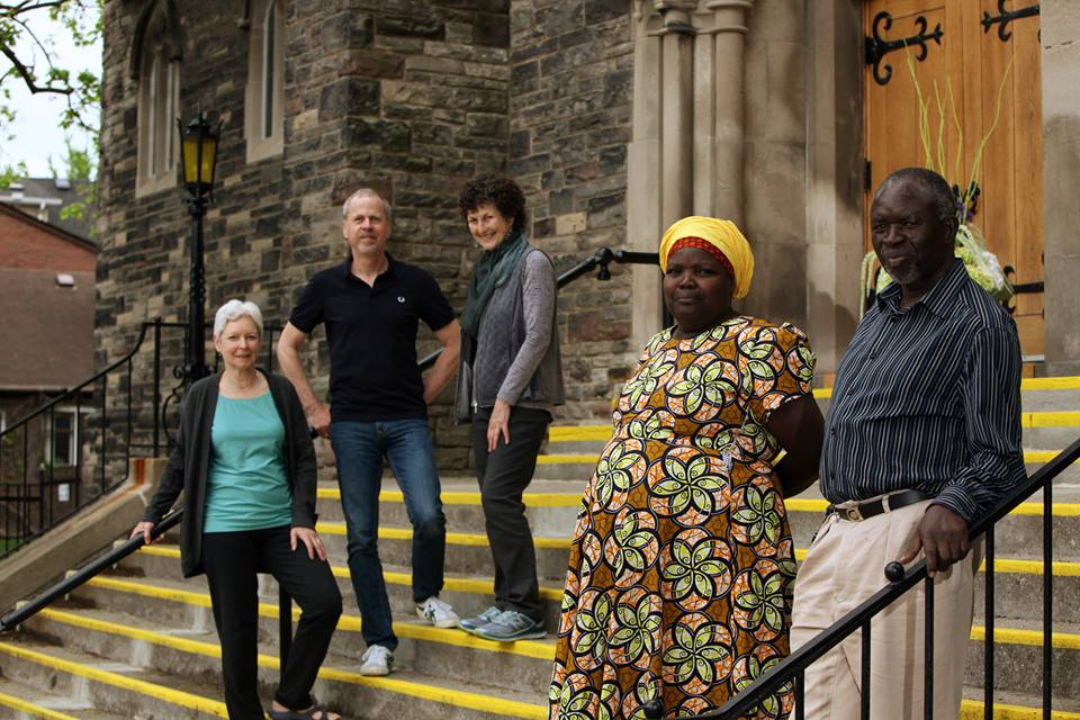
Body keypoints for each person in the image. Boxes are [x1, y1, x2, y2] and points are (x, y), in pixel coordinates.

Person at [548, 217, 825, 720]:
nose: (686, 281)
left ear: (733, 279)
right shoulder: (656, 347)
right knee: (633, 674)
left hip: (714, 554)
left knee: (709, 666)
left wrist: (741, 497)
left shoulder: (760, 344)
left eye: (705, 270)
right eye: (675, 270)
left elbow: (811, 447)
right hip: (623, 558)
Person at [790, 167, 1026, 720]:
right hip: (838, 533)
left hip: (909, 539)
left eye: (908, 224)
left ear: (948, 229)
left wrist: (956, 504)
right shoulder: (878, 314)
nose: (891, 239)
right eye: (881, 226)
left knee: (900, 711)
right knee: (813, 705)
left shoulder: (979, 325)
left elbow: (999, 456)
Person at [276, 188, 462, 677]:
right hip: (351, 425)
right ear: (345, 229)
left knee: (429, 516)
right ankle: (379, 641)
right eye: (358, 219)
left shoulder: (414, 282)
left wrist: (425, 393)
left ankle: (426, 594)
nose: (366, 226)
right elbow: (285, 347)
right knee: (362, 537)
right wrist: (313, 407)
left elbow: (454, 341)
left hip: (406, 421)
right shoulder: (325, 287)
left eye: (375, 218)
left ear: (387, 227)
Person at [133, 300, 343, 720]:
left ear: (259, 340)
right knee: (238, 632)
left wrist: (302, 518)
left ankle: (290, 698)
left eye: (250, 336)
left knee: (325, 602)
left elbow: (303, 459)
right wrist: (153, 513)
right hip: (223, 528)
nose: (243, 345)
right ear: (217, 343)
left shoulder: (280, 390)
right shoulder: (201, 395)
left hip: (281, 525)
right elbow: (180, 461)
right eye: (233, 338)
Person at [453, 175, 565, 641]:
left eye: (489, 217)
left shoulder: (531, 262)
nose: (482, 227)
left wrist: (504, 401)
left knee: (500, 496)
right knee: (494, 502)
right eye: (474, 219)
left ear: (510, 216)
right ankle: (505, 603)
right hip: (487, 404)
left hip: (521, 404)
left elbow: (537, 335)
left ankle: (524, 607)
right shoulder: (487, 269)